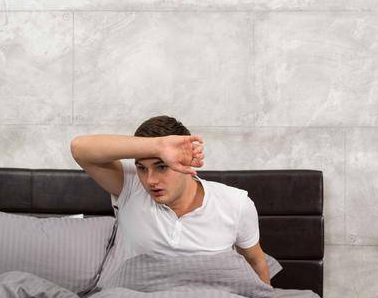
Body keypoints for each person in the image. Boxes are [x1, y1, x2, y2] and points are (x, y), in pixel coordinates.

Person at [70, 115, 270, 285]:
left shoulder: (235, 203)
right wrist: (159, 147)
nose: (150, 180)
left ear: (187, 162)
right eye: (141, 168)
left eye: (162, 166)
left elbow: (255, 262)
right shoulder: (130, 186)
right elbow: (79, 148)